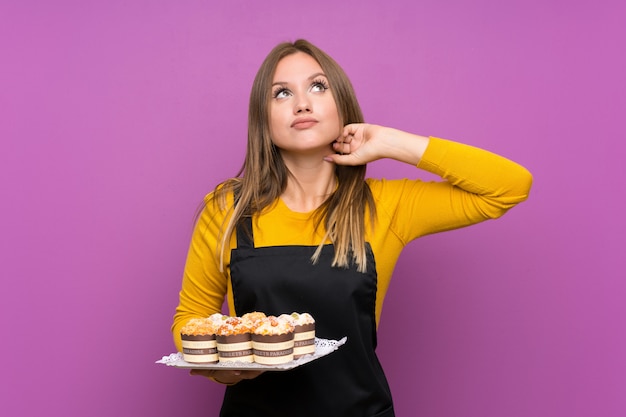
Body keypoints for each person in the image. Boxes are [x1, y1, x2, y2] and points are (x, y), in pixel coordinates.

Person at [172, 39, 532, 417]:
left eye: (318, 86)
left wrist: (390, 142)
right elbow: (190, 318)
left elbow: (509, 187)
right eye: (281, 93)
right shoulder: (228, 209)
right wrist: (226, 371)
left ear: (342, 105)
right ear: (263, 119)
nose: (302, 103)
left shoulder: (386, 206)